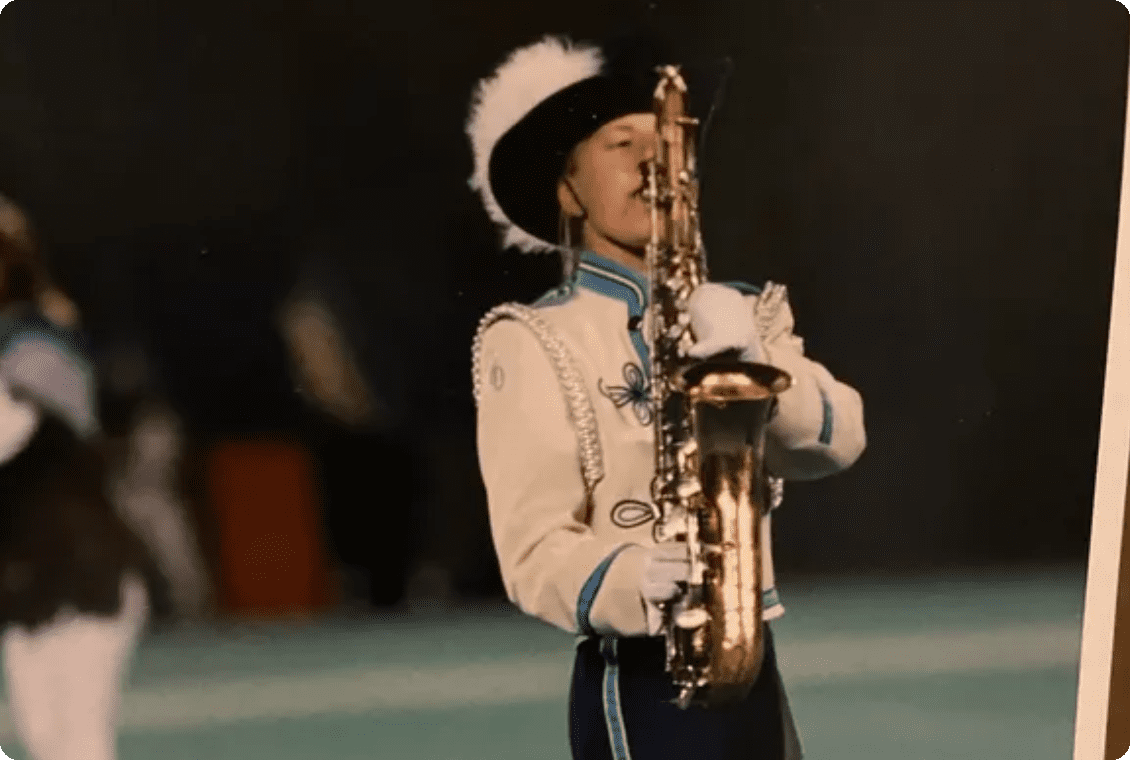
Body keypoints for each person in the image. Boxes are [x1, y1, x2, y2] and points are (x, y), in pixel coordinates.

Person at [467, 34, 867, 760]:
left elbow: (838, 441)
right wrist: (632, 580)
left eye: (666, 145)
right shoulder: (531, 339)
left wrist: (753, 356)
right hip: (642, 677)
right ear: (568, 188)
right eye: (621, 143)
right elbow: (532, 550)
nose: (653, 161)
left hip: (749, 654)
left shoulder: (744, 311)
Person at [0, 193, 161, 760]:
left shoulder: (35, 347)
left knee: (78, 748)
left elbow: (15, 436)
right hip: (26, 588)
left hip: (82, 577)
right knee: (47, 742)